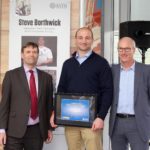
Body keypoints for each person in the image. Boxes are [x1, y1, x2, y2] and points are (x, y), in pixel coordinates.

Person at [51, 27, 113, 150]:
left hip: (92, 121)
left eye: (87, 38)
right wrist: (55, 112)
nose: (83, 41)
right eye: (80, 37)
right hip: (70, 120)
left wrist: (101, 117)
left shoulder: (101, 63)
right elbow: (61, 89)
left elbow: (108, 91)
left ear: (92, 40)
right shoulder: (68, 64)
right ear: (76, 40)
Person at [0, 42, 53, 150]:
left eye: (34, 52)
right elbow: (4, 104)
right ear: (22, 55)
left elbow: (48, 105)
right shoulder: (11, 75)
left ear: (38, 55)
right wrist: (1, 129)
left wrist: (49, 128)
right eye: (28, 52)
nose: (31, 54)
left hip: (37, 131)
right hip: (14, 130)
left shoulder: (46, 78)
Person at [109, 37, 150, 150]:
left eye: (127, 49)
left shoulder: (146, 70)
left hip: (138, 123)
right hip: (116, 123)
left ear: (134, 50)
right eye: (121, 49)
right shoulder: (112, 70)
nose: (123, 52)